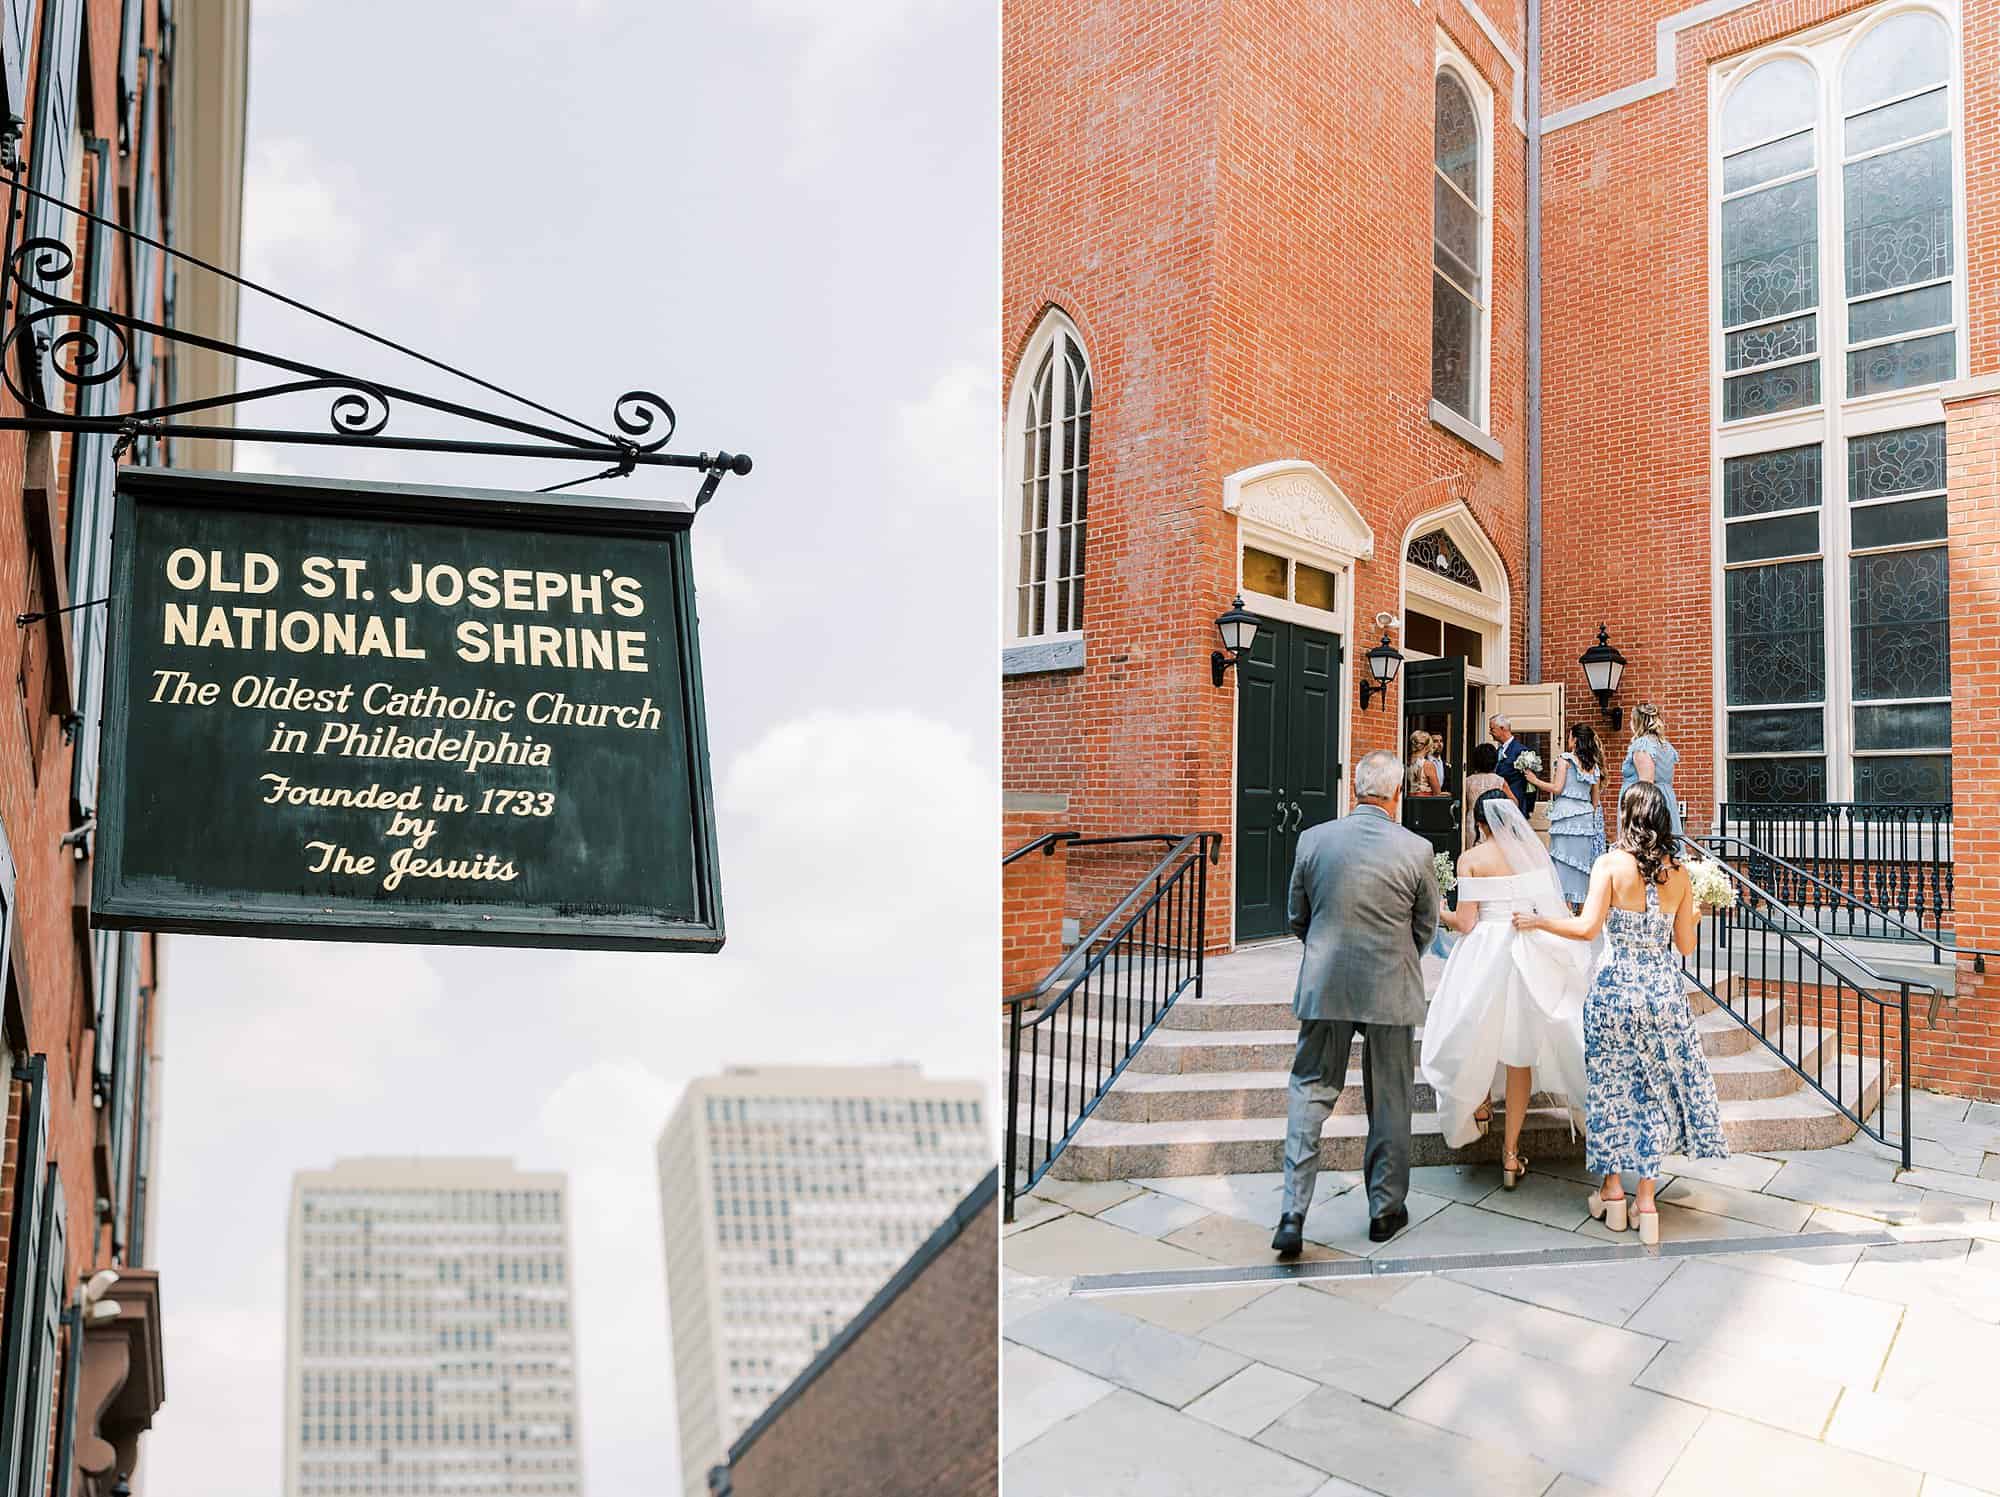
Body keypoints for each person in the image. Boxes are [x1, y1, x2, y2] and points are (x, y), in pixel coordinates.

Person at [1512, 782, 1727, 1245]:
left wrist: (1539, 921)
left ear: (1628, 817)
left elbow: (1587, 928)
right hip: (1664, 994)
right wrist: (1696, 913)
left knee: (1610, 1089)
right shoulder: (1682, 874)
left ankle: (1611, 1193)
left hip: (1615, 989)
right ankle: (1645, 1201)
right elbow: (1686, 946)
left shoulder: (1609, 865)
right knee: (1654, 1093)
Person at [1273, 749, 1439, 1257]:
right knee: (1390, 1100)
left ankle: (1292, 1213)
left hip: (1327, 983)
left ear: (1355, 792)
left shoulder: (1314, 840)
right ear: (1396, 795)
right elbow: (1426, 926)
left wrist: (1327, 951)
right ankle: (1384, 1210)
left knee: (1309, 1091)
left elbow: (1296, 916)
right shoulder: (1417, 849)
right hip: (1390, 984)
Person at [1422, 790, 1590, 1189]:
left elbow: (1465, 923)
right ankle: (1511, 1157)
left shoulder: (1472, 860)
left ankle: (1479, 1106)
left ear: (1479, 823)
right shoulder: (1534, 856)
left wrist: (1437, 910)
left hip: (1485, 953)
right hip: (1526, 950)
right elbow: (1549, 910)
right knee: (1518, 1055)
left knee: (1475, 1033)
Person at [1523, 723, 1607, 909]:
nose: (1568, 740)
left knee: (1562, 863)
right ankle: (1583, 911)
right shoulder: (1594, 766)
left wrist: (1534, 780)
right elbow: (1595, 802)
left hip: (1565, 818)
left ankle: (1566, 910)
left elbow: (1557, 788)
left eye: (1570, 736)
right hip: (1585, 820)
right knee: (1582, 866)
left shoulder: (1565, 760)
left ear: (1575, 740)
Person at [1622, 702, 1683, 838]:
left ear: (1637, 721)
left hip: (1646, 804)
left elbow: (1646, 785)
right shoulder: (1665, 746)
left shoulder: (1642, 745)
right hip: (1665, 799)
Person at [1463, 740, 1516, 833]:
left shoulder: (1468, 781)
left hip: (1472, 822)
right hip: (1494, 823)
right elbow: (1514, 803)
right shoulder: (1499, 781)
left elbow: (1464, 806)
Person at [1490, 714, 1536, 818]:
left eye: (1492, 729)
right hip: (1498, 807)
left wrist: (1528, 808)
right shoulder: (1497, 752)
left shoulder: (1521, 751)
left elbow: (1531, 784)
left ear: (1502, 728)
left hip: (1516, 806)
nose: (1490, 732)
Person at [1405, 731, 1442, 797]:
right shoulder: (1427, 765)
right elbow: (1437, 793)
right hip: (1423, 802)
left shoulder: (1405, 763)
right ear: (1427, 747)